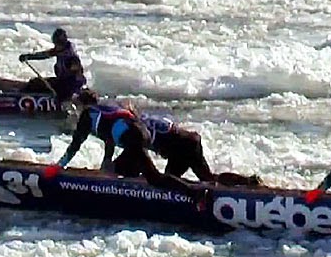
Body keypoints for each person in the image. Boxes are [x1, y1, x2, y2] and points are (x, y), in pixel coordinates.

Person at [42, 91, 202, 198]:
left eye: (78, 106)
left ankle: (195, 194)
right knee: (122, 168)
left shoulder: (87, 116)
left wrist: (58, 166)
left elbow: (75, 146)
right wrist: (105, 165)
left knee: (154, 178)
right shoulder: (104, 110)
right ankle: (138, 188)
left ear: (85, 105)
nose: (76, 110)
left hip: (133, 139)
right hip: (141, 135)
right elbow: (109, 140)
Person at [109, 111, 262, 186]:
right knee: (207, 177)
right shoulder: (144, 119)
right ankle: (249, 181)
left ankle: (198, 194)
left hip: (183, 147)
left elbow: (135, 153)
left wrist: (112, 167)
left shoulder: (137, 130)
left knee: (169, 182)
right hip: (189, 142)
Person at [19, 28, 86, 105]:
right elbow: (43, 55)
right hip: (62, 82)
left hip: (69, 87)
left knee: (37, 84)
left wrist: (69, 95)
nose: (55, 46)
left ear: (62, 43)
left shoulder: (71, 57)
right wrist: (28, 57)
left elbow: (79, 78)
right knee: (35, 82)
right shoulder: (59, 50)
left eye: (57, 44)